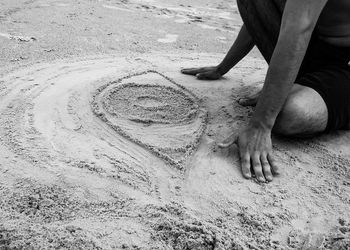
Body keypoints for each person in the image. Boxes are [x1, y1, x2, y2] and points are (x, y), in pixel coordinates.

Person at [181, 0, 350, 182]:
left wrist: (261, 125)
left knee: (290, 114)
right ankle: (296, 85)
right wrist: (223, 67)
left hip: (344, 64)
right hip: (315, 47)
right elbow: (265, 18)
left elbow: (298, 29)